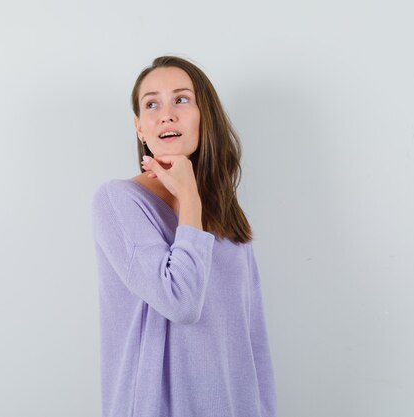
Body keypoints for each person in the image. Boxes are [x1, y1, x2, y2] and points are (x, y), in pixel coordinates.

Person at [90, 55, 277, 417]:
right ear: (140, 128)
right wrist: (189, 197)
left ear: (205, 116)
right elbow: (180, 302)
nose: (166, 114)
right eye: (151, 104)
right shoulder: (119, 201)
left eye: (181, 99)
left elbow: (252, 337)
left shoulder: (226, 215)